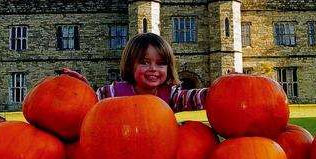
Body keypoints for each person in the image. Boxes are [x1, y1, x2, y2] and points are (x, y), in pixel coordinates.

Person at [62, 33, 207, 112]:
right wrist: (83, 92)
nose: (153, 69)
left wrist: (226, 84)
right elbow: (91, 106)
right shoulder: (113, 93)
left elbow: (197, 98)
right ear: (131, 65)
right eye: (144, 62)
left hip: (161, 154)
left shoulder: (172, 95)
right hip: (122, 152)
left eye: (161, 63)